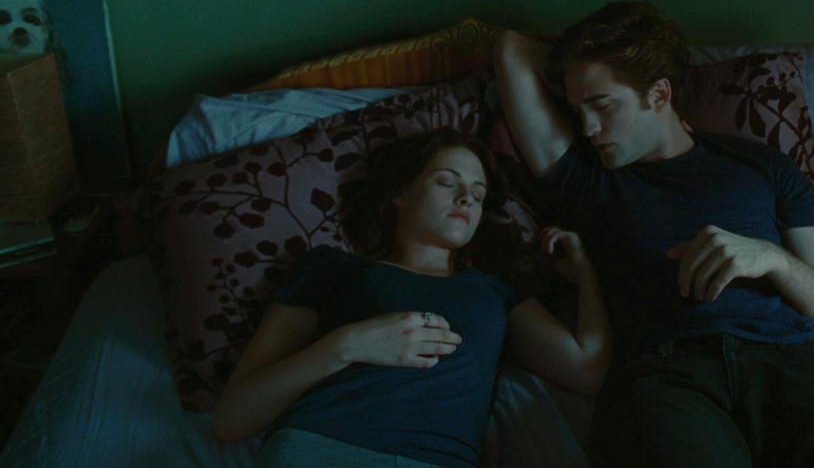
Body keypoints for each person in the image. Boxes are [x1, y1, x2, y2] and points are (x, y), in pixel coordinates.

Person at [495, 2, 814, 467]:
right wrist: (584, 67)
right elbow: (512, 48)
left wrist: (770, 258)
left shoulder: (762, 165)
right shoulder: (587, 178)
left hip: (792, 358)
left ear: (659, 94)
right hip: (665, 372)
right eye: (577, 109)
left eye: (602, 105)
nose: (588, 128)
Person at [210, 129, 610, 468]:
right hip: (320, 448)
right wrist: (346, 345)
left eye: (478, 193)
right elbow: (232, 419)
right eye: (447, 182)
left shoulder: (494, 289)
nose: (466, 198)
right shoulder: (332, 268)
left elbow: (587, 369)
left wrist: (587, 274)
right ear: (401, 192)